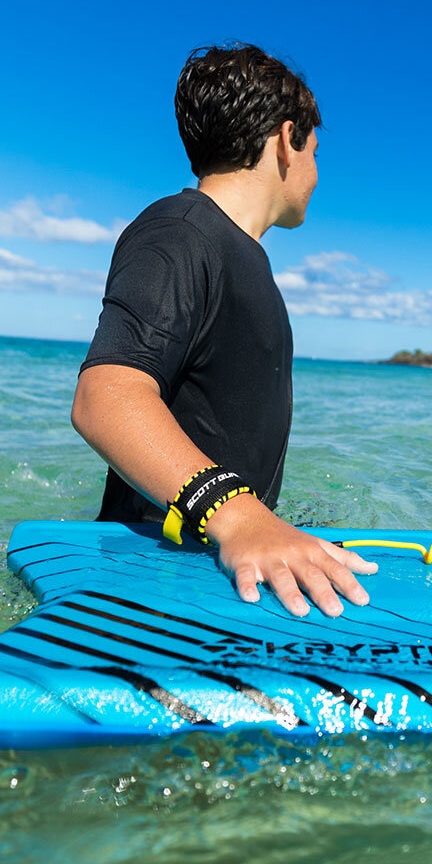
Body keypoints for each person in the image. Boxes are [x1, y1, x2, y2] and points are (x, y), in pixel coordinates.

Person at [72, 43, 376, 618]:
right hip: (159, 579)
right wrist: (238, 516)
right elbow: (105, 397)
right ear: (289, 140)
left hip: (217, 560)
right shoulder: (181, 232)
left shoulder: (240, 254)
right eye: (315, 150)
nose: (316, 171)